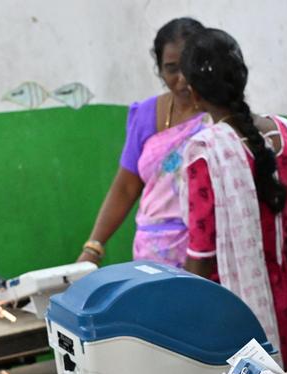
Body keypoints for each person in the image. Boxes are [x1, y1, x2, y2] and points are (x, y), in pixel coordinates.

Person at [177, 28, 287, 367]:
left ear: (193, 93)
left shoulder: (207, 150)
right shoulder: (286, 134)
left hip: (232, 310)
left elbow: (200, 255)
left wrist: (182, 314)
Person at [77, 17, 208, 266]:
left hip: (203, 254)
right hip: (153, 253)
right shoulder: (146, 114)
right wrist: (93, 247)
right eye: (171, 68)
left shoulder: (218, 116)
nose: (182, 78)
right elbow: (126, 187)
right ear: (159, 69)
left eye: (190, 66)